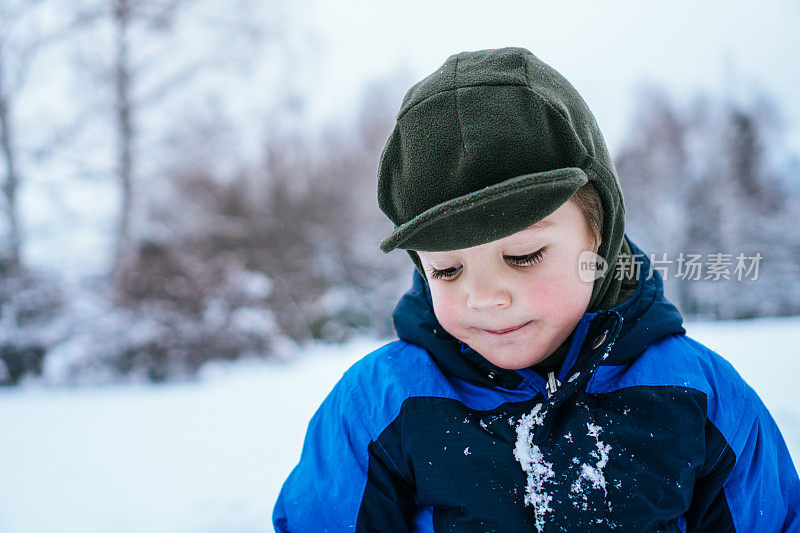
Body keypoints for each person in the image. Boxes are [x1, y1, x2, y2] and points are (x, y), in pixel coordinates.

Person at [272, 47, 800, 531]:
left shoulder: (699, 395)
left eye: (522, 256)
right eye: (447, 271)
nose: (486, 297)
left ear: (600, 236)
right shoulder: (379, 406)